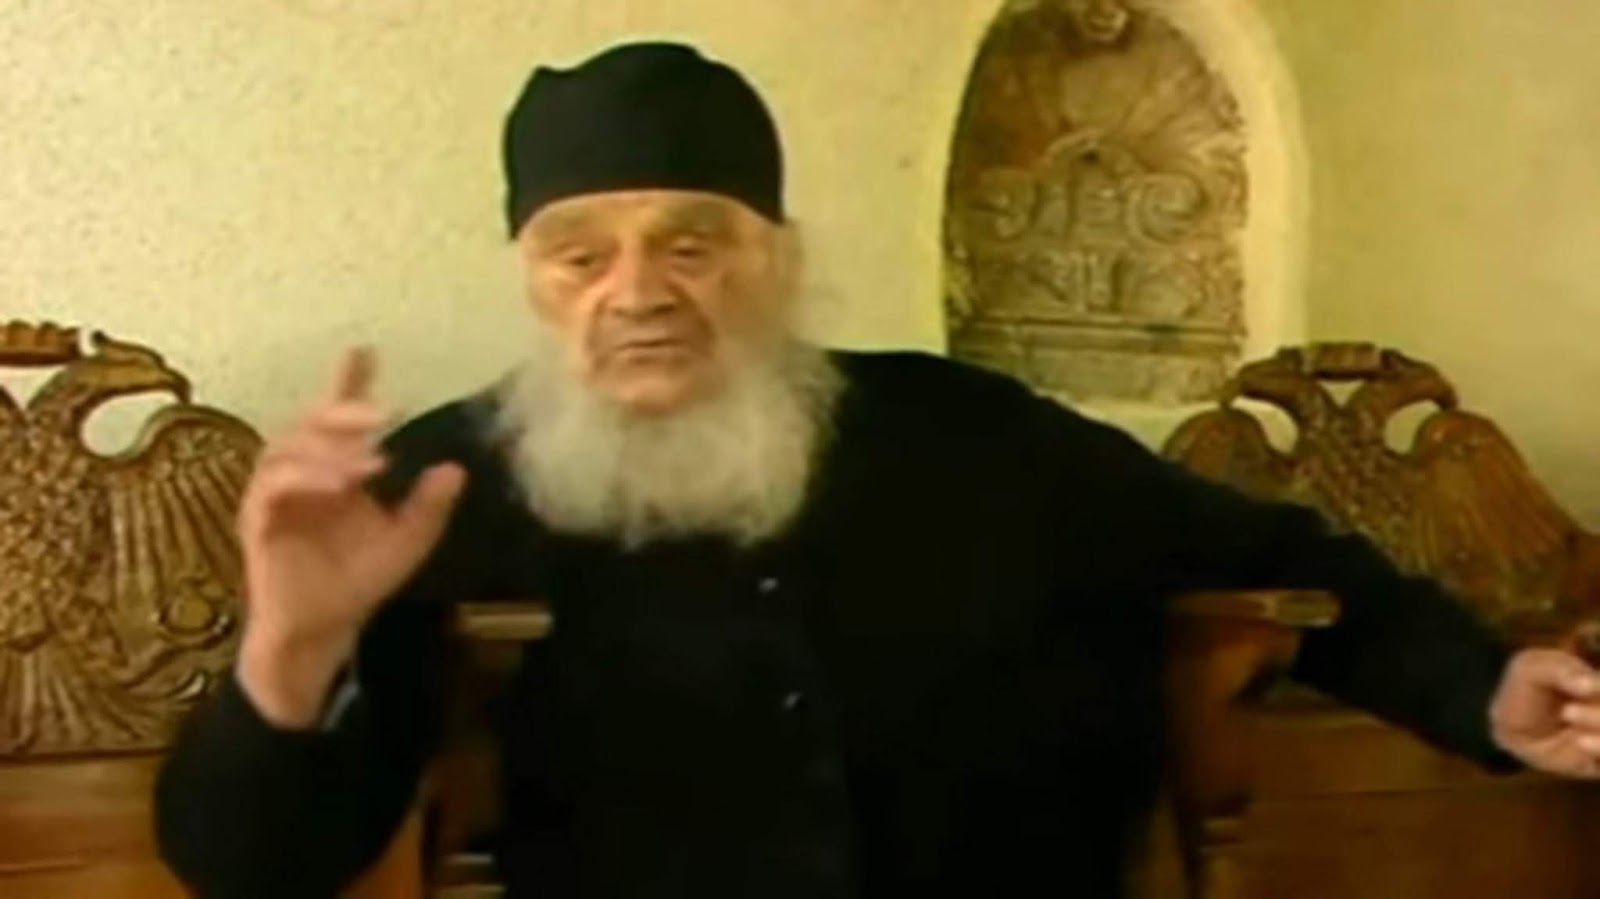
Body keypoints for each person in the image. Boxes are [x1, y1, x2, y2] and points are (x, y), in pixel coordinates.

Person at [153, 40, 1600, 899]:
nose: (637, 290)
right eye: (580, 256)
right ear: (532, 280)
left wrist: (1483, 689)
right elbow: (251, 868)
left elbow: (1290, 567)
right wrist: (291, 649)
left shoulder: (977, 437)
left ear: (778, 259)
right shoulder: (439, 493)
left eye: (692, 242)